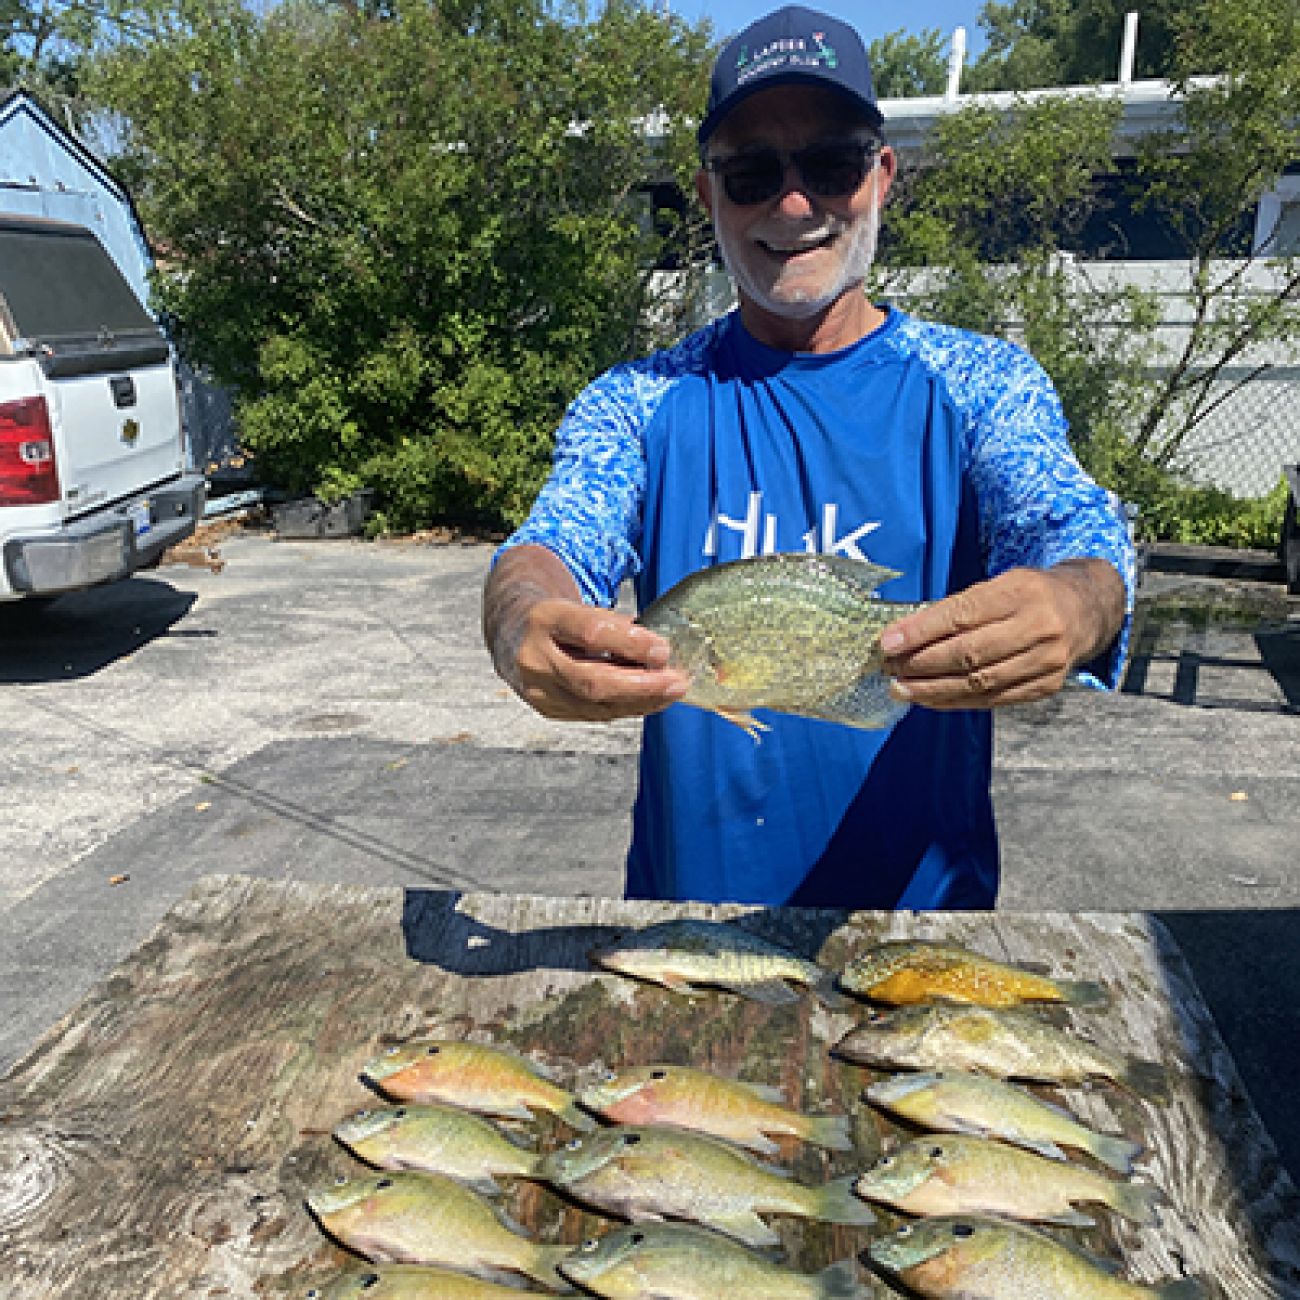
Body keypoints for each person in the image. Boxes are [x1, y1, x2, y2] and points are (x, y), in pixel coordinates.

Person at [481, 4, 1133, 910]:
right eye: (750, 173)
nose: (794, 204)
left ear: (882, 178)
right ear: (707, 197)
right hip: (684, 932)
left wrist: (1078, 602)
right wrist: (517, 623)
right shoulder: (634, 402)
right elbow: (552, 544)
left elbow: (1076, 530)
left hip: (923, 943)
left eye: (830, 164)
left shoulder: (983, 382)